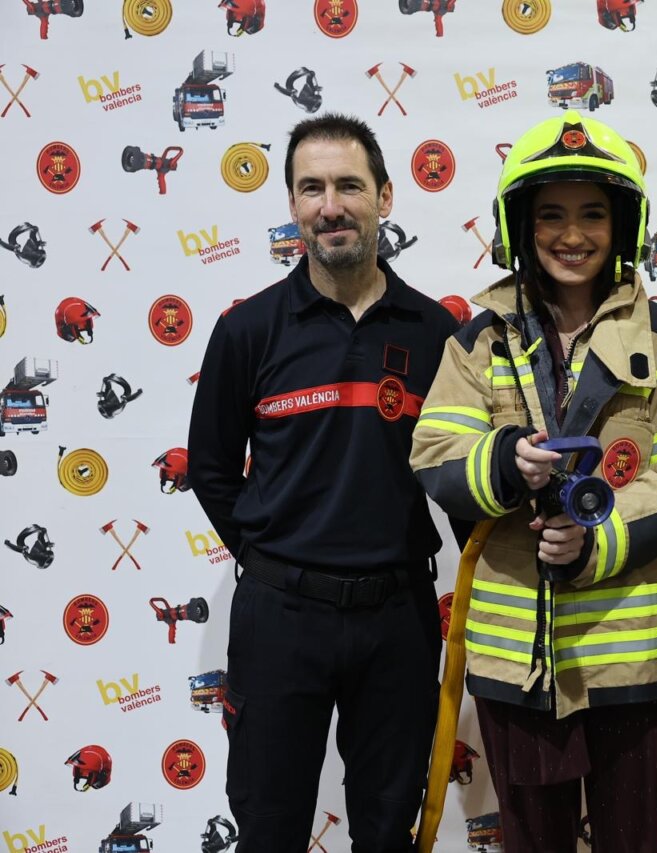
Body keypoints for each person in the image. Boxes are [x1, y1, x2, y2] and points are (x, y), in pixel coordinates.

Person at [409, 111, 657, 853]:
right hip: (516, 664)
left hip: (633, 658)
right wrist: (502, 459)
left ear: (624, 225)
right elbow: (434, 448)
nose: (571, 234)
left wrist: (595, 542)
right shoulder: (479, 337)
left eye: (592, 214)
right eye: (550, 215)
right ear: (520, 226)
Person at [187, 113, 462, 852]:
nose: (330, 205)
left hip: (398, 618)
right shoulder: (248, 330)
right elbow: (210, 468)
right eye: (312, 188)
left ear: (386, 197)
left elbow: (468, 471)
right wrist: (272, 550)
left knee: (386, 831)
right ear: (292, 204)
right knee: (270, 829)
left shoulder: (437, 332)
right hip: (280, 618)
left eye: (348, 185)